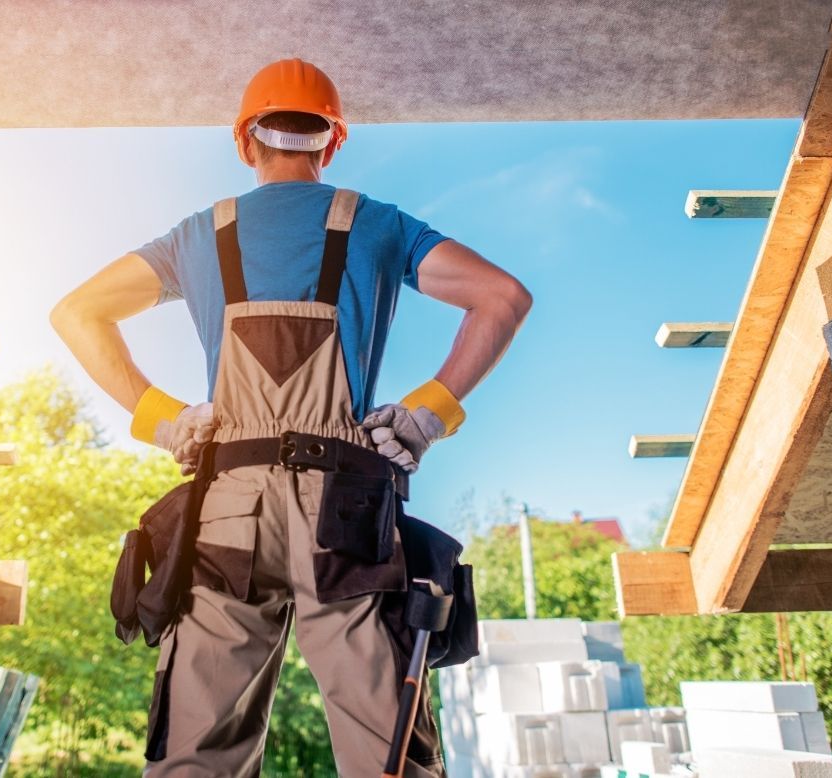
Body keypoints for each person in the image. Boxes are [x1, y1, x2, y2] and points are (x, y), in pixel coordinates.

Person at [51, 58, 531, 778]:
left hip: (228, 510)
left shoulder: (198, 236)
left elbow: (77, 312)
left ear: (246, 141)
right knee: (387, 753)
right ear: (332, 143)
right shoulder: (379, 225)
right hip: (346, 511)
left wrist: (166, 419)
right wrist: (426, 415)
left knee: (195, 757)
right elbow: (503, 297)